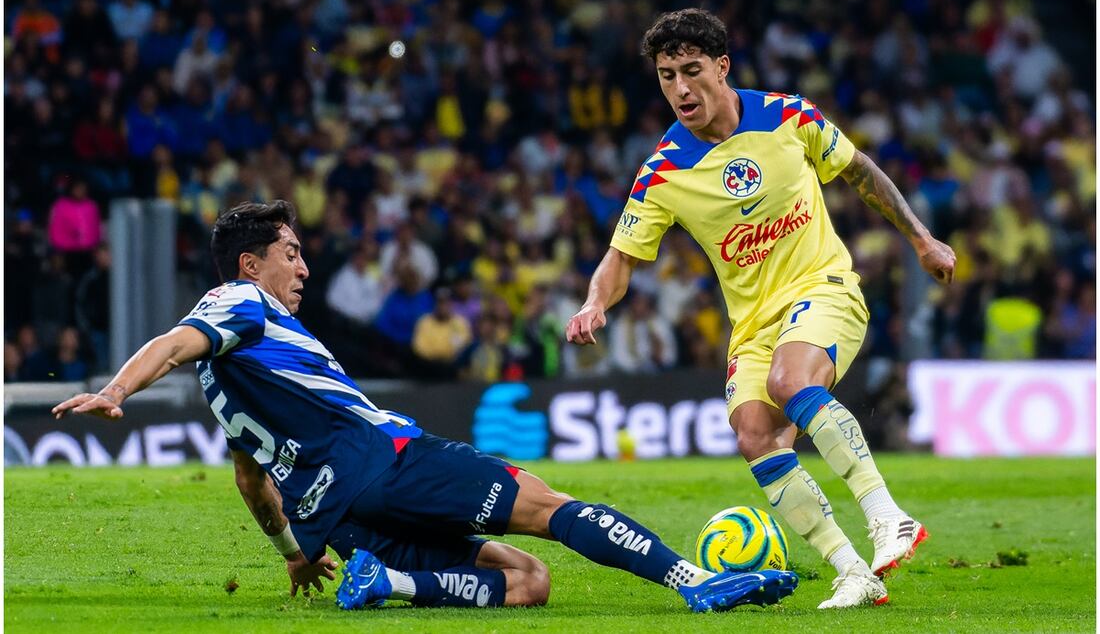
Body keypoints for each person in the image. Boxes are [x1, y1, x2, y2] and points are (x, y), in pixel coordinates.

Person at [53, 200, 797, 613]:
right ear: (251, 264)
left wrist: (294, 556)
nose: (303, 267)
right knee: (546, 505)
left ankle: (391, 584)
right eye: (290, 252)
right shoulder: (237, 301)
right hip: (383, 461)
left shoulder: (227, 385)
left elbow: (251, 481)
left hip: (340, 522)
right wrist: (118, 389)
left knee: (527, 584)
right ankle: (695, 583)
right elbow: (174, 339)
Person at [566, 9, 956, 609]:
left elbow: (859, 172)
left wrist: (921, 239)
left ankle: (887, 515)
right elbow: (620, 258)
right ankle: (852, 570)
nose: (680, 89)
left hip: (824, 287)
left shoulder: (790, 115)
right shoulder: (663, 171)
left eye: (692, 71)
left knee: (789, 379)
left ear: (722, 67)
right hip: (754, 323)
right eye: (667, 76)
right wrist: (595, 302)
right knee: (755, 436)